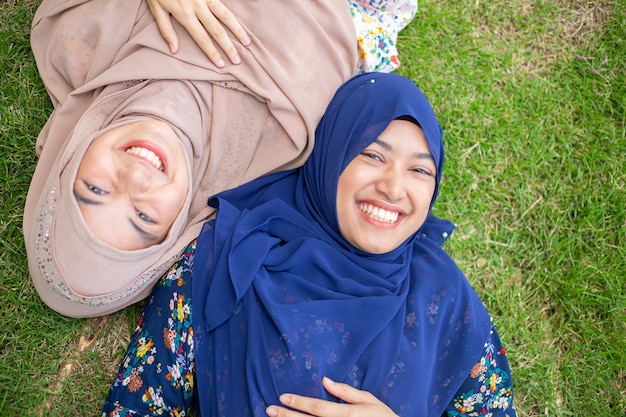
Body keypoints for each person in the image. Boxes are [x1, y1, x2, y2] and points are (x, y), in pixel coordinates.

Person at [102, 72, 517, 417]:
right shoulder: (227, 263)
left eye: (419, 171)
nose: (393, 187)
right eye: (372, 155)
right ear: (330, 156)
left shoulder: (443, 297)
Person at [23, 0, 357, 318]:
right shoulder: (287, 136)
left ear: (67, 167)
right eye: (143, 216)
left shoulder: (80, 38)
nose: (135, 178)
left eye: (95, 190)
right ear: (179, 224)